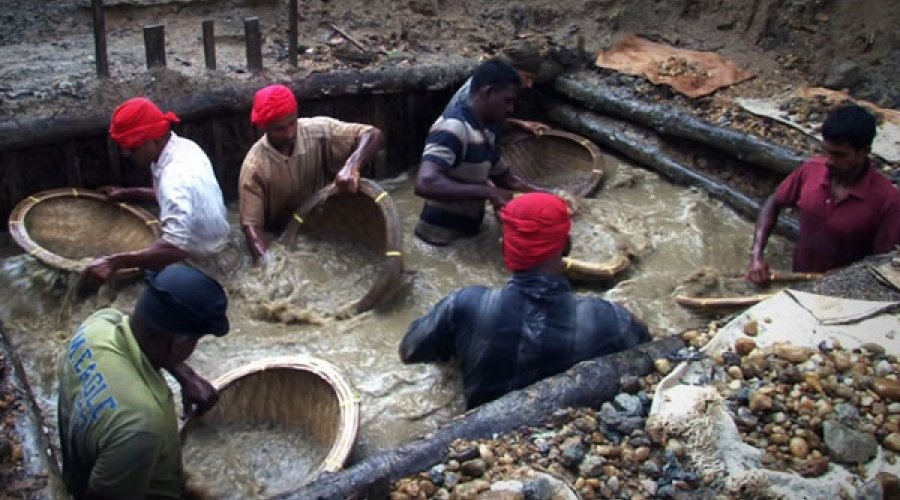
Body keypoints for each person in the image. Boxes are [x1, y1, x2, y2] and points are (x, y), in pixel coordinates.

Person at [400, 192, 651, 408]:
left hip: (483, 439)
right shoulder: (611, 319)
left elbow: (410, 351)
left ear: (505, 249)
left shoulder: (466, 305)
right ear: (566, 246)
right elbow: (646, 351)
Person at [57, 264, 229, 499]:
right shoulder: (142, 426)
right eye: (195, 341)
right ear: (178, 342)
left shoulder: (98, 324)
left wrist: (185, 375)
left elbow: (145, 336)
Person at [83, 97, 236, 284]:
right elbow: (182, 200)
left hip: (207, 263)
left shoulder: (175, 176)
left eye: (132, 147)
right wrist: (129, 194)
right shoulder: (184, 147)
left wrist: (115, 262)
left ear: (155, 139)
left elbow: (175, 248)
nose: (126, 154)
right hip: (223, 246)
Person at [747, 104, 900, 285]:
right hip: (800, 279)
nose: (829, 161)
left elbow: (882, 263)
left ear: (865, 152)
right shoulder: (812, 170)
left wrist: (844, 277)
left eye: (839, 155)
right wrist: (757, 255)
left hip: (843, 294)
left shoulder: (887, 200)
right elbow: (773, 203)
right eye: (826, 151)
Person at [239, 84, 385, 260]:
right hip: (283, 234)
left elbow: (373, 134)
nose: (289, 133)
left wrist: (351, 166)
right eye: (279, 129)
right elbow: (252, 228)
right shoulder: (254, 167)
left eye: (293, 123)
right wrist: (270, 266)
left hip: (326, 221)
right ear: (264, 127)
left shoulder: (319, 131)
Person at [414, 59, 549, 246]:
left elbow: (507, 180)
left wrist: (552, 197)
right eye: (507, 101)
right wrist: (488, 192)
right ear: (488, 92)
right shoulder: (453, 128)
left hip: (469, 234)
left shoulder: (487, 131)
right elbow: (425, 183)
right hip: (438, 239)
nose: (511, 109)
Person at [443, 40, 553, 136]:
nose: (530, 85)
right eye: (527, 77)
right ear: (510, 70)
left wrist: (521, 124)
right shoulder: (474, 96)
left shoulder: (495, 87)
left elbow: (491, 120)